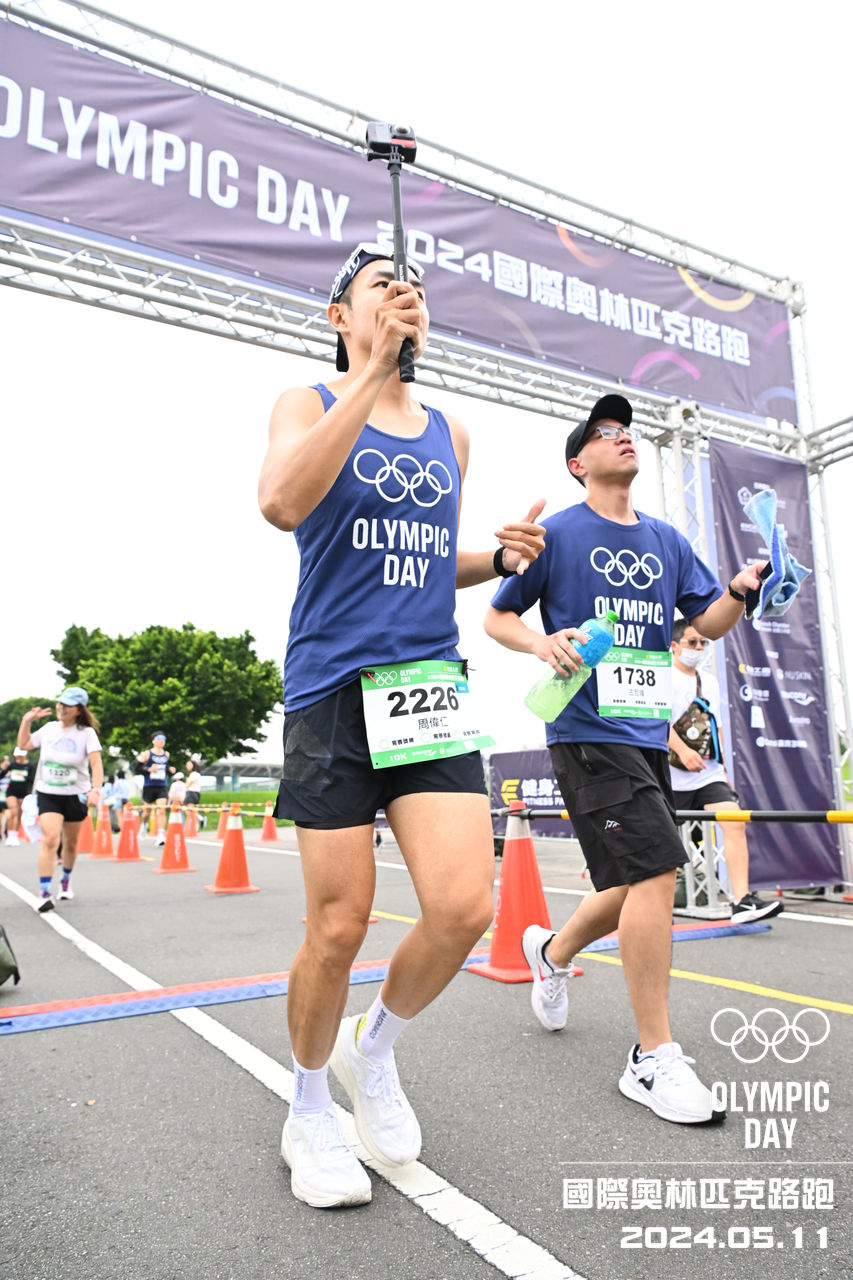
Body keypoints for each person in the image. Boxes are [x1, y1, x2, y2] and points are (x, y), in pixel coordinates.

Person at [258, 241, 546, 1208]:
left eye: (411, 286)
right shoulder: (306, 402)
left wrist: (494, 560)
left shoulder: (449, 432)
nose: (403, 292)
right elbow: (281, 502)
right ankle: (308, 1107)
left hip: (426, 685)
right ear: (340, 315)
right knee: (338, 925)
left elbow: (423, 560)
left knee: (464, 909)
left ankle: (371, 1048)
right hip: (332, 687)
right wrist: (370, 375)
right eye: (380, 284)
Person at [484, 392, 764, 1127]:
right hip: (584, 729)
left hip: (646, 735)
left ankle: (550, 952)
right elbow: (497, 614)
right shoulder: (557, 533)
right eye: (604, 433)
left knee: (634, 877)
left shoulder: (666, 539)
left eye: (626, 429)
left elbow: (707, 620)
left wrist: (738, 592)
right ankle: (652, 1056)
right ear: (579, 464)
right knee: (656, 870)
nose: (623, 437)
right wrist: (541, 642)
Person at [668, 619, 783, 924]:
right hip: (669, 776)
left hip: (708, 774)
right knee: (659, 845)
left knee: (734, 820)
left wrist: (723, 771)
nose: (698, 648)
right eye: (692, 642)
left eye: (702, 643)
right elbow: (654, 723)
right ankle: (643, 905)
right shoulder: (661, 678)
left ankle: (741, 901)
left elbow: (715, 727)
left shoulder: (709, 681)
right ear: (674, 646)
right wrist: (682, 751)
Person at [16, 686, 103, 912]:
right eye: (60, 703)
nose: (62, 708)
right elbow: (24, 745)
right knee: (51, 839)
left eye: (68, 705)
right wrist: (26, 722)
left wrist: (96, 789)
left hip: (75, 795)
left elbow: (96, 764)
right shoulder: (49, 729)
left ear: (79, 710)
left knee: (71, 844)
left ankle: (65, 879)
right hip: (49, 794)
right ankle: (44, 892)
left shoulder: (86, 733)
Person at [137, 732, 173, 833]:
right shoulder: (147, 754)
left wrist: (170, 769)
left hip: (162, 786)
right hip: (149, 786)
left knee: (161, 809)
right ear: (153, 741)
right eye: (159, 739)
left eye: (163, 739)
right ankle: (144, 825)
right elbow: (137, 768)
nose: (162, 741)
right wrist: (149, 770)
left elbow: (165, 767)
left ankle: (161, 834)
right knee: (147, 811)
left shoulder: (166, 754)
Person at [4, 747, 36, 846]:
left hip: (23, 792)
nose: (19, 757)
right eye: (18, 755)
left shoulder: (30, 766)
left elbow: (32, 779)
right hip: (11, 791)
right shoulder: (12, 765)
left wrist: (23, 775)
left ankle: (15, 836)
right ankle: (10, 835)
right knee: (13, 812)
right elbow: (3, 774)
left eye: (21, 755)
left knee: (19, 815)